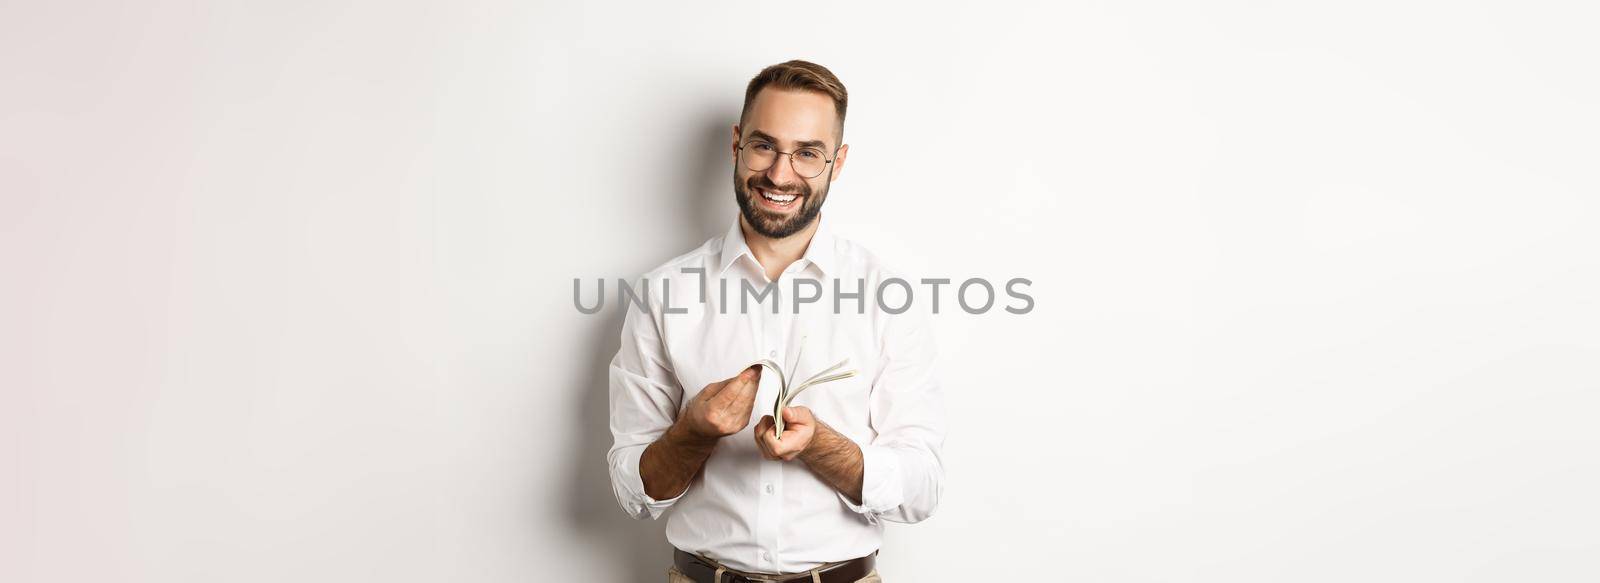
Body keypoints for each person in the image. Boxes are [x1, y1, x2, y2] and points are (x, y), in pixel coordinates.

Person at [607, 60, 946, 583]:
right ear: (737, 143)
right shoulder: (662, 293)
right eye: (764, 145)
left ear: (837, 163)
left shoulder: (887, 296)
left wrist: (823, 448)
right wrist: (694, 433)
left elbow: (921, 489)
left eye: (808, 153)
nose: (780, 174)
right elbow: (635, 493)